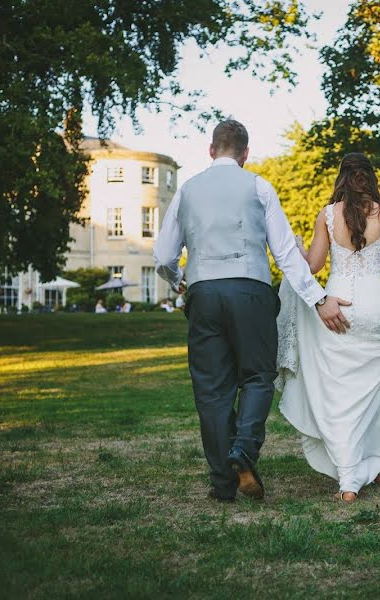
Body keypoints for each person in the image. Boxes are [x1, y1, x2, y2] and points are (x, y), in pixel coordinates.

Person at [154, 119, 351, 503]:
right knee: (258, 376)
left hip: (204, 292)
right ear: (245, 154)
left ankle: (222, 484)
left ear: (211, 150)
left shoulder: (187, 190)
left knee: (212, 390)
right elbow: (286, 255)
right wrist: (318, 297)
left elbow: (163, 255)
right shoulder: (259, 186)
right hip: (252, 291)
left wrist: (179, 278)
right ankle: (243, 449)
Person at [276, 152, 380, 503]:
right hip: (378, 308)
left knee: (339, 395)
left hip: (337, 308)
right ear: (371, 177)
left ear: (341, 178)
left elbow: (312, 266)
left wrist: (293, 249)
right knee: (376, 394)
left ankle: (350, 480)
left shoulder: (328, 215)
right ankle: (374, 464)